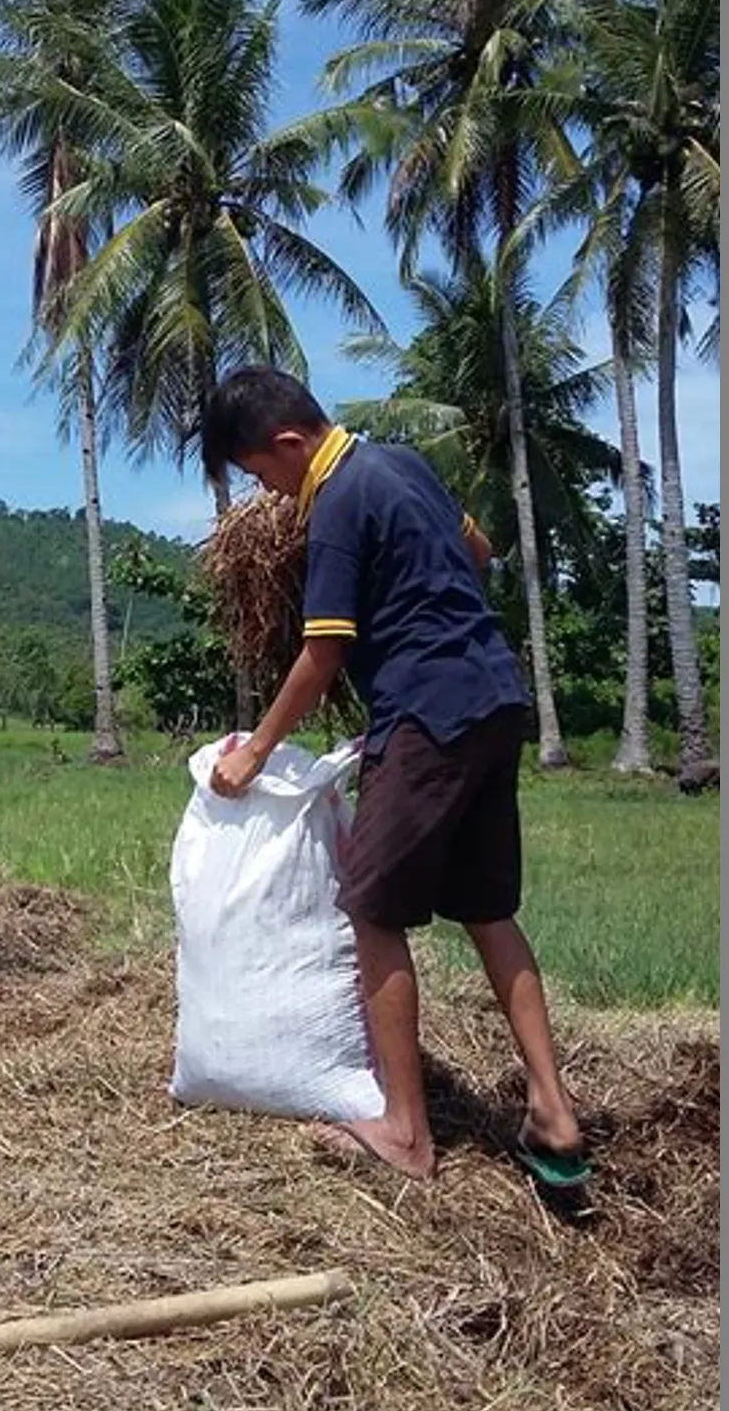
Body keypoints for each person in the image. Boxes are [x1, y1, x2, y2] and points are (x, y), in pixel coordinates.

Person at [199, 367, 587, 1187]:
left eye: (263, 475)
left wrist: (254, 751)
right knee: (487, 908)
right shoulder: (401, 463)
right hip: (493, 698)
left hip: (427, 717)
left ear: (291, 443)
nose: (269, 494)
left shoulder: (337, 500)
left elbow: (321, 652)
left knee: (370, 909)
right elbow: (477, 550)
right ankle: (552, 1107)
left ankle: (406, 1132)